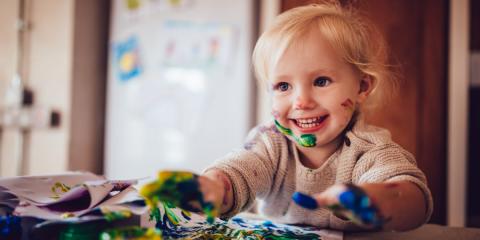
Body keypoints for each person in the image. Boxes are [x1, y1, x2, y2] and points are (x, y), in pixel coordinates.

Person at [197, 2, 433, 231]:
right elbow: (241, 169)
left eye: (321, 81)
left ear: (361, 87)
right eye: (283, 86)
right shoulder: (269, 143)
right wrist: (216, 187)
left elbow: (414, 202)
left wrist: (377, 199)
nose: (302, 102)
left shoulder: (371, 150)